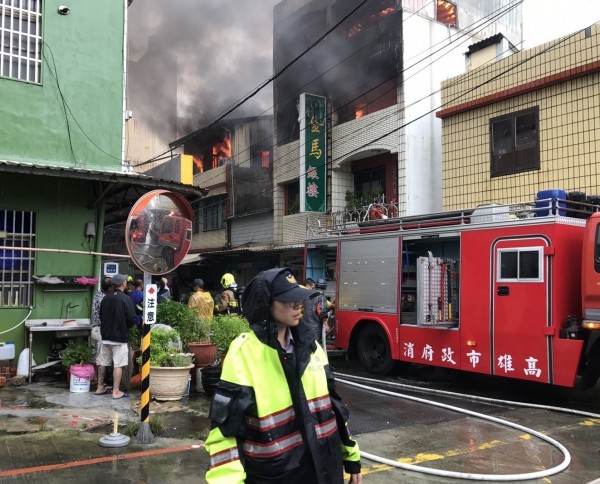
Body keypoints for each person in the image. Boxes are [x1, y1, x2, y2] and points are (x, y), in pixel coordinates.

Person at [204, 268, 362, 483]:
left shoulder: (312, 347)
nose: (298, 307)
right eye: (288, 301)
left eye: (299, 300)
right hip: (275, 475)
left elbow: (334, 408)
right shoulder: (244, 352)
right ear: (265, 304)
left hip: (325, 469)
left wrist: (351, 456)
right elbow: (225, 429)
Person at [97, 274, 136, 399]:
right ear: (123, 283)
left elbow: (101, 315)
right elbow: (131, 319)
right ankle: (116, 391)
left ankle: (99, 387)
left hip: (105, 336)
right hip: (119, 337)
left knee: (103, 362)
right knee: (118, 364)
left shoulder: (105, 298)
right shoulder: (125, 299)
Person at [91, 277, 113, 395]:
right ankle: (99, 386)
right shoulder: (105, 298)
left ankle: (97, 381)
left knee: (97, 356)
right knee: (101, 358)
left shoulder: (98, 294)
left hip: (95, 329)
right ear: (109, 288)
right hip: (100, 330)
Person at [301, 278, 332, 347]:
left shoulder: (307, 296)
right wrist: (326, 324)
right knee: (314, 347)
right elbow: (321, 311)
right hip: (315, 327)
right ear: (325, 287)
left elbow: (303, 309)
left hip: (304, 325)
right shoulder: (321, 297)